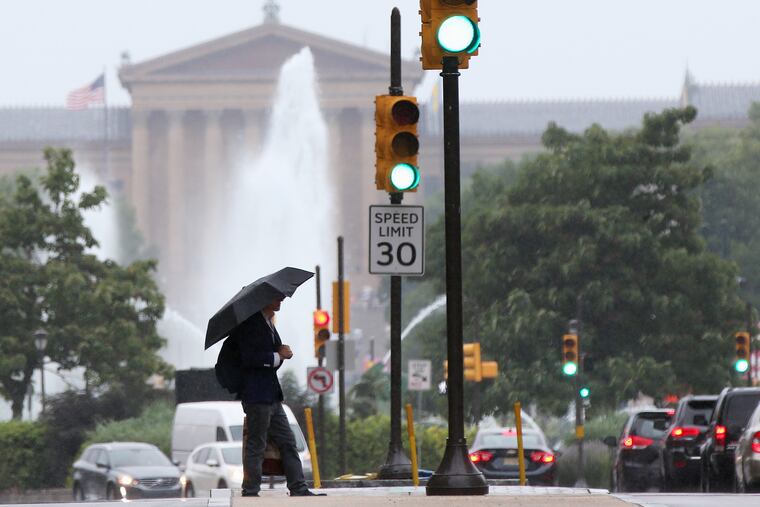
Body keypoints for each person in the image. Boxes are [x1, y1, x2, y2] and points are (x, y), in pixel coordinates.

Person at [234, 295, 324, 497]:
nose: (280, 300)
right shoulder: (250, 326)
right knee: (257, 443)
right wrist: (278, 355)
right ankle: (250, 489)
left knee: (287, 441)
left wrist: (281, 353)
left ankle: (298, 486)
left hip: (272, 396)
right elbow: (250, 359)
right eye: (275, 298)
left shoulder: (268, 324)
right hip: (257, 397)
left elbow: (273, 357)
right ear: (261, 300)